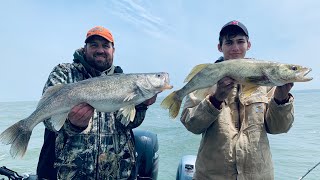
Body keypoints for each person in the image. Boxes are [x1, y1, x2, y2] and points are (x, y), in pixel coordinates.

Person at [36, 26, 157, 180]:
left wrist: (141, 105)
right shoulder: (64, 72)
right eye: (94, 45)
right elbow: (48, 120)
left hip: (118, 174)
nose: (100, 50)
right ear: (84, 48)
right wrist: (72, 124)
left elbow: (129, 123)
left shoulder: (123, 80)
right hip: (70, 174)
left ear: (113, 50)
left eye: (106, 46)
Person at [180, 20, 294, 180]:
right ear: (220, 47)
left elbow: (278, 128)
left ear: (249, 44)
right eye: (229, 42)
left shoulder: (266, 82)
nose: (235, 48)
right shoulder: (206, 79)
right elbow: (191, 125)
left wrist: (281, 100)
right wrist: (215, 99)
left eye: (240, 41)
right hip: (212, 175)